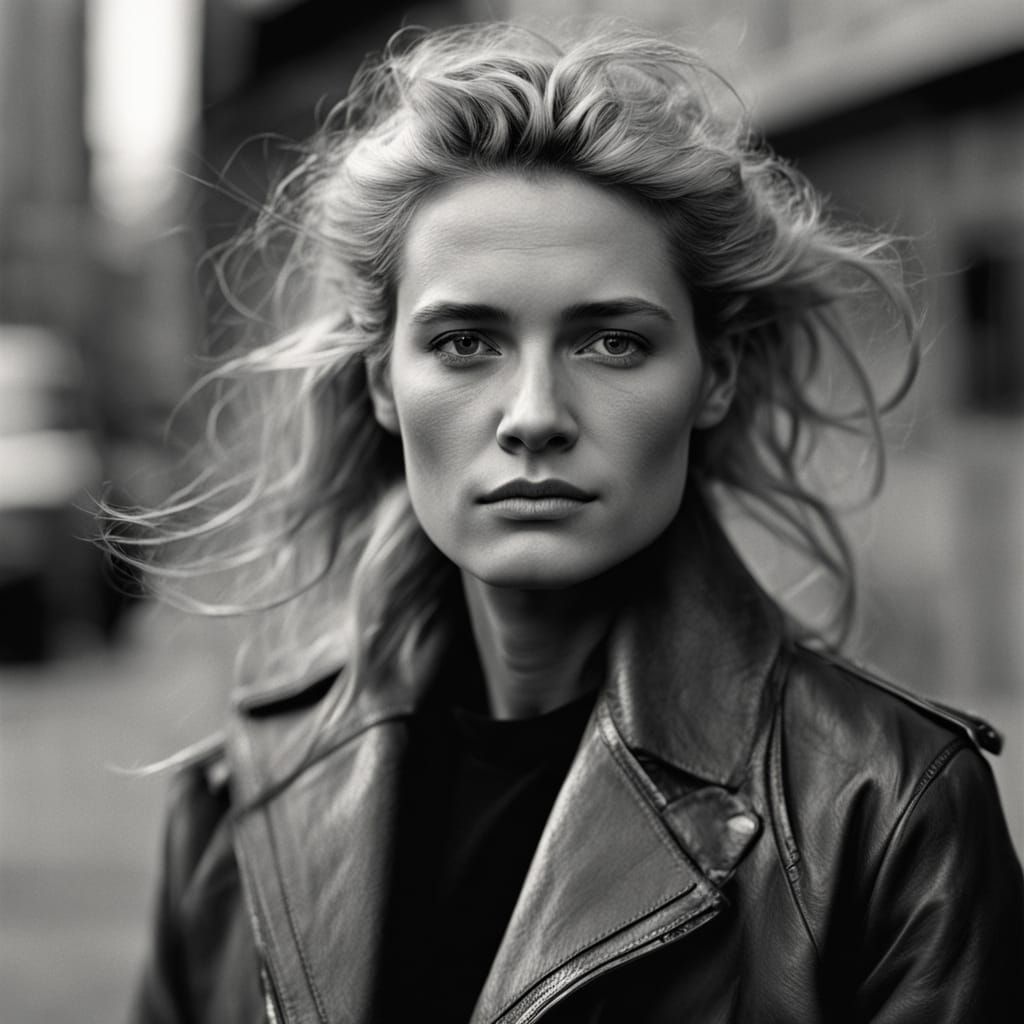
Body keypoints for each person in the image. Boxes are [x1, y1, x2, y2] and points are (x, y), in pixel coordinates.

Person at [115, 21, 1024, 1024]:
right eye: (466, 342)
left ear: (714, 375)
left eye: (610, 342)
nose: (534, 415)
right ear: (380, 380)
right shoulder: (241, 802)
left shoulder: (885, 814)